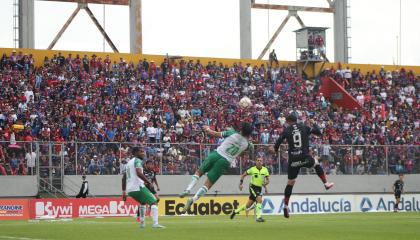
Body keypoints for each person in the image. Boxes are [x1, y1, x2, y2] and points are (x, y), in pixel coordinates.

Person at [179, 122, 254, 213]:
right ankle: (193, 199)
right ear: (249, 134)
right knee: (207, 184)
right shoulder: (247, 145)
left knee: (199, 172)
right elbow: (243, 153)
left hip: (216, 154)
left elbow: (214, 134)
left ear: (241, 129)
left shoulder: (232, 133)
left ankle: (188, 189)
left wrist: (207, 129)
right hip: (225, 162)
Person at [269, 114, 334, 218]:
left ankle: (285, 206)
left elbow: (279, 141)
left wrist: (275, 149)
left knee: (290, 182)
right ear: (296, 120)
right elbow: (318, 133)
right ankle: (326, 183)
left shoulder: (286, 130)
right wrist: (314, 123)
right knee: (316, 162)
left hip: (293, 161)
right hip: (304, 157)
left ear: (289, 121)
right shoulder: (304, 127)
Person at [122, 147, 165, 228]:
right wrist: (148, 182)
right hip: (138, 187)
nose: (143, 153)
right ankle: (155, 224)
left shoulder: (128, 164)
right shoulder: (137, 160)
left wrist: (124, 192)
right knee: (154, 202)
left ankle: (142, 224)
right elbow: (138, 173)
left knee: (142, 203)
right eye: (141, 151)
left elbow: (123, 178)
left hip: (130, 190)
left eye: (143, 151)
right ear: (135, 153)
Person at [230, 157, 270, 222]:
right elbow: (243, 175)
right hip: (253, 187)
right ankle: (259, 217)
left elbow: (267, 180)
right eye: (258, 160)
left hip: (259, 188)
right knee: (259, 199)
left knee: (248, 205)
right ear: (256, 162)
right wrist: (240, 184)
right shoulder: (252, 169)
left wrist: (266, 186)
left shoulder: (265, 170)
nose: (259, 162)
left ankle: (235, 211)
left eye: (260, 161)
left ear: (262, 162)